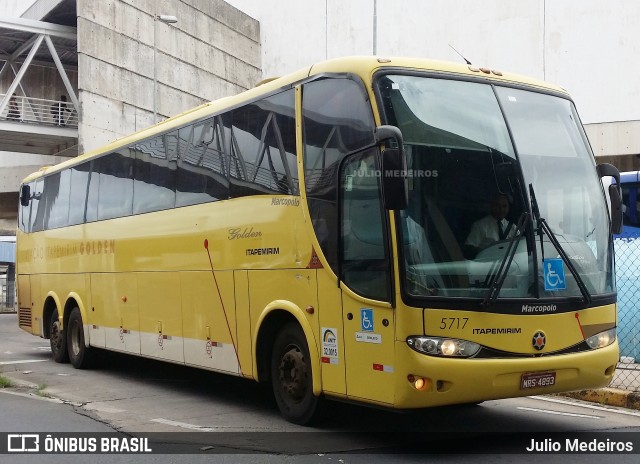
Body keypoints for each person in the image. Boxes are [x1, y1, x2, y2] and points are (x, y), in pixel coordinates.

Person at [464, 193, 516, 258]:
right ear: (491, 206)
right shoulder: (480, 225)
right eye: (497, 205)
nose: (501, 209)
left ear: (509, 208)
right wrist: (487, 252)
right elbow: (470, 247)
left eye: (504, 206)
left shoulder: (513, 227)